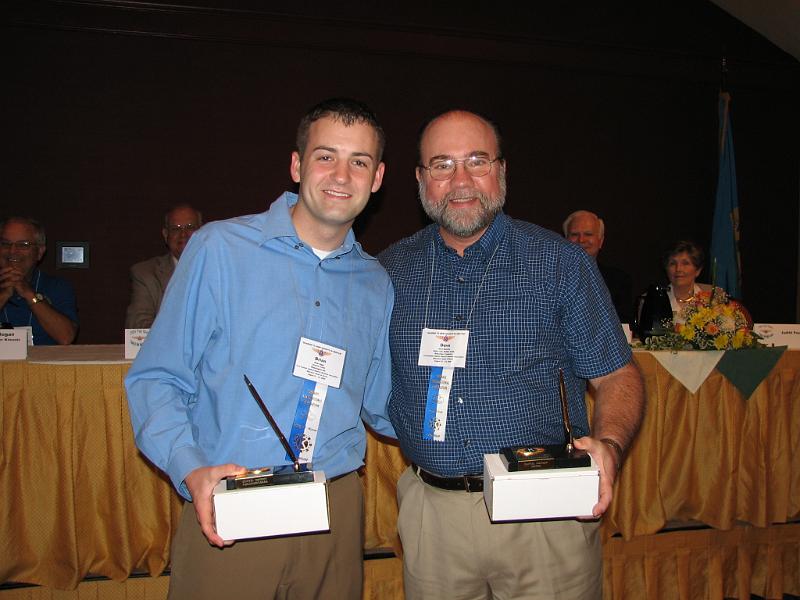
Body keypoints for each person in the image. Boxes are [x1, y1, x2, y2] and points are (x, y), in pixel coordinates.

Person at [125, 98, 394, 600]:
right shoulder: (220, 250)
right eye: (325, 156)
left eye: (359, 161)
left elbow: (383, 405)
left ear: (377, 178)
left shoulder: (376, 282)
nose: (341, 174)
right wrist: (190, 468)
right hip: (233, 500)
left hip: (333, 511)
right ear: (296, 165)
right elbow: (156, 378)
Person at [379, 110, 645, 600]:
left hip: (543, 513)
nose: (460, 180)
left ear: (501, 170)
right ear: (420, 179)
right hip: (433, 519)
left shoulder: (561, 264)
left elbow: (616, 375)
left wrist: (608, 443)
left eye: (476, 161)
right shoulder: (388, 272)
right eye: (441, 165)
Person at [0, 216, 78, 345]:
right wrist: (3, 295)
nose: (12, 251)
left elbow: (66, 337)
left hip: (43, 365)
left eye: (23, 245)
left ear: (40, 252)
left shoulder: (57, 287)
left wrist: (29, 294)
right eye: (5, 244)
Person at [124, 204, 203, 328]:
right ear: (166, 235)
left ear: (202, 232)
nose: (183, 234)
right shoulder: (145, 273)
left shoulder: (222, 272)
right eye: (176, 229)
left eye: (190, 227)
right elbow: (137, 326)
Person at [563, 209, 633, 323]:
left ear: (601, 241)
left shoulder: (619, 281)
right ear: (565, 240)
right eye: (574, 234)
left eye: (588, 234)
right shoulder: (550, 278)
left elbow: (623, 325)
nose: (581, 240)